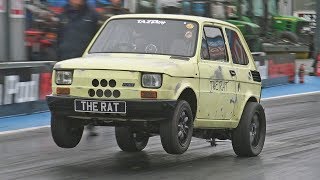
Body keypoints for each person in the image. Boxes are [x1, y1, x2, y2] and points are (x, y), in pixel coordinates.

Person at [57, 0, 99, 136]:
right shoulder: (63, 13)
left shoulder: (92, 14)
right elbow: (58, 37)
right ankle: (66, 121)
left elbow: (98, 37)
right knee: (65, 93)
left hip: (85, 62)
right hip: (65, 60)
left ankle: (92, 121)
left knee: (88, 91)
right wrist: (57, 57)